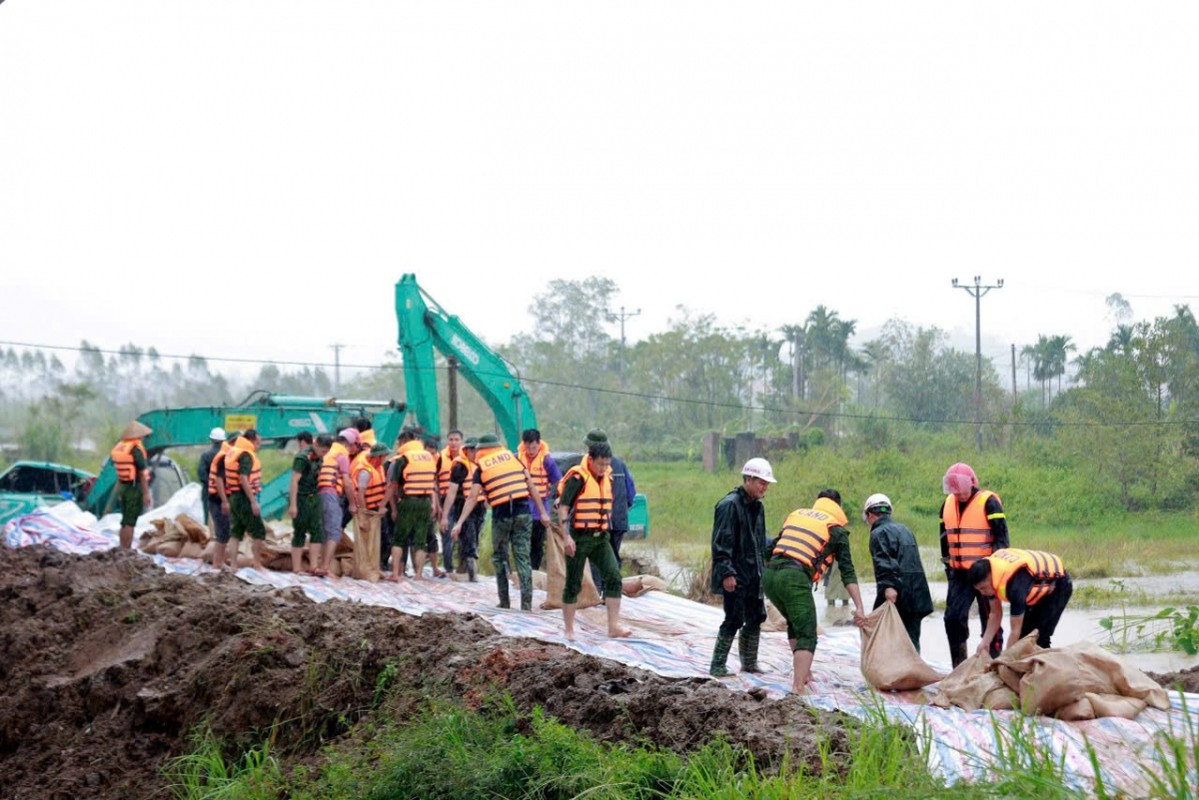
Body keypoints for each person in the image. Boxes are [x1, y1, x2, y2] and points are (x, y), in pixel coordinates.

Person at [763, 490, 867, 694]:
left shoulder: (797, 516)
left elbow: (769, 550)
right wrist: (860, 607)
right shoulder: (835, 530)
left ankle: (805, 672)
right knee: (808, 633)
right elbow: (847, 571)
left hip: (769, 577)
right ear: (838, 507)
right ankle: (798, 686)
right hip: (793, 578)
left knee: (795, 623)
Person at [452, 432, 550, 610]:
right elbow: (532, 487)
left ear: (481, 450)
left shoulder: (482, 467)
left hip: (502, 515)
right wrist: (543, 513)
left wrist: (459, 523)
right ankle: (526, 604)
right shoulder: (514, 460)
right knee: (523, 557)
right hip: (523, 513)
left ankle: (504, 601)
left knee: (500, 558)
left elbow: (472, 497)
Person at [708, 457, 775, 677]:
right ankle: (717, 665)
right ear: (748, 479)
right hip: (735, 573)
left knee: (756, 616)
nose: (764, 487)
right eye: (760, 482)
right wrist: (727, 572)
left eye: (766, 484)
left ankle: (749, 662)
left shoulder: (758, 507)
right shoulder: (729, 505)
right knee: (734, 618)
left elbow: (758, 540)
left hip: (753, 572)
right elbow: (721, 544)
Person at [557, 440, 630, 639]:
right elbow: (563, 508)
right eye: (600, 464)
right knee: (573, 583)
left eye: (606, 464)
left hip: (601, 538)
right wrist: (567, 538)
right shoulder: (577, 478)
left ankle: (613, 626)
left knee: (614, 576)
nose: (603, 468)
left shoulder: (607, 477)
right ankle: (569, 629)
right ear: (590, 460)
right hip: (579, 538)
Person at [940, 462, 1010, 666]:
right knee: (952, 618)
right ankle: (959, 666)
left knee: (991, 620)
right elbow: (945, 540)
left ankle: (992, 664)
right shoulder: (947, 505)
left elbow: (1002, 539)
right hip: (960, 573)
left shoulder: (989, 502)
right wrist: (949, 568)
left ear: (972, 483)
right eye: (955, 491)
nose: (960, 494)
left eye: (963, 490)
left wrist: (995, 571)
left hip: (986, 572)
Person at [863, 493, 934, 652]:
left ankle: (895, 673)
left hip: (897, 594)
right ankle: (914, 672)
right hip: (916, 595)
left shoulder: (878, 533)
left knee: (886, 639)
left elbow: (883, 562)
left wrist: (888, 587)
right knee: (912, 640)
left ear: (870, 514)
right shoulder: (905, 529)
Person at [970, 548, 1073, 653]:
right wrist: (985, 642)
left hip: (1058, 586)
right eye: (979, 590)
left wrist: (1005, 659)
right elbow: (995, 614)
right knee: (1024, 640)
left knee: (1039, 637)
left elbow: (1015, 631)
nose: (982, 593)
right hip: (1031, 588)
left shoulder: (1015, 588)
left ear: (991, 576)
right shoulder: (992, 579)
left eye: (983, 588)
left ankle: (1045, 665)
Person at [385, 428, 440, 581]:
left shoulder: (402, 459)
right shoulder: (429, 457)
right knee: (420, 540)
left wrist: (386, 506)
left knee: (399, 539)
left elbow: (392, 485)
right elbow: (433, 483)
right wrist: (434, 504)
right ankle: (418, 575)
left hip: (408, 502)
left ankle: (396, 573)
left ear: (404, 443)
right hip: (426, 502)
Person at [584, 429, 635, 589]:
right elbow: (631, 493)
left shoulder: (591, 466)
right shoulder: (621, 465)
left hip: (600, 521)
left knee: (597, 559)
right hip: (619, 521)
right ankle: (611, 593)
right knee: (613, 558)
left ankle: (598, 594)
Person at [316, 428, 360, 576]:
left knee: (322, 531)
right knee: (334, 532)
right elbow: (347, 483)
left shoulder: (327, 452)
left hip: (318, 494)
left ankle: (318, 564)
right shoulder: (342, 456)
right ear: (350, 444)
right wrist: (353, 503)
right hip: (331, 494)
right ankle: (325, 567)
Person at [518, 428, 562, 571]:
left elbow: (559, 481)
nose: (531, 451)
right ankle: (524, 570)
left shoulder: (546, 460)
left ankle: (534, 570)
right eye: (528, 447)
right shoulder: (517, 458)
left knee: (537, 543)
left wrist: (559, 497)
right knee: (522, 541)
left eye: (534, 447)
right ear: (524, 445)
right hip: (522, 507)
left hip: (540, 509)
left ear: (539, 444)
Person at [440, 436, 482, 581]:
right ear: (466, 450)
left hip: (479, 507)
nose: (475, 453)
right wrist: (445, 516)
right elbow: (451, 493)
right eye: (472, 450)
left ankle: (463, 569)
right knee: (467, 537)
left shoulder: (481, 465)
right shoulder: (460, 466)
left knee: (475, 538)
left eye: (477, 450)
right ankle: (470, 574)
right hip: (462, 505)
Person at [225, 428, 267, 570]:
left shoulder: (234, 451)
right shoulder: (246, 455)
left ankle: (233, 565)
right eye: (258, 443)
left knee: (236, 531)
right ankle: (256, 563)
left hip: (233, 495)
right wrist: (253, 501)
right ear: (252, 440)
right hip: (243, 497)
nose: (258, 446)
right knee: (259, 531)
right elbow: (243, 478)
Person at [288, 432, 328, 574]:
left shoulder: (319, 458)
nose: (324, 454)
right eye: (323, 450)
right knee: (300, 531)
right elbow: (294, 481)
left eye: (326, 452)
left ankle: (313, 566)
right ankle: (297, 568)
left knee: (317, 531)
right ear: (316, 445)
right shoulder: (302, 458)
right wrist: (293, 504)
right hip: (301, 498)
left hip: (313, 497)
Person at [111, 420, 153, 549]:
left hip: (124, 487)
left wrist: (117, 493)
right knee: (130, 522)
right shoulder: (136, 450)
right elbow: (141, 473)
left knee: (124, 521)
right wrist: (146, 493)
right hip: (134, 488)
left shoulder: (121, 447)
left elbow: (119, 475)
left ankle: (122, 548)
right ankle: (126, 550)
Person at [208, 431, 239, 570]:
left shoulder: (228, 456)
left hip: (221, 498)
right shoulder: (223, 457)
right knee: (222, 532)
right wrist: (225, 501)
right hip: (217, 500)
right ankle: (216, 564)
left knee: (225, 531)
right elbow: (219, 480)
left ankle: (220, 562)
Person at [436, 429, 465, 573]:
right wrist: (436, 503)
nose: (453, 443)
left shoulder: (467, 457)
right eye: (451, 440)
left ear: (462, 442)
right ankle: (448, 567)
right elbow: (433, 479)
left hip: (463, 500)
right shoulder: (440, 457)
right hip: (444, 499)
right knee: (446, 534)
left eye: (456, 440)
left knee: (464, 534)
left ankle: (463, 567)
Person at [196, 427, 226, 523]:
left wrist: (211, 483)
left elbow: (201, 473)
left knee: (209, 517)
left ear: (211, 440)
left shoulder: (206, 455)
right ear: (223, 441)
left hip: (208, 491)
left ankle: (211, 534)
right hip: (226, 491)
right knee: (225, 517)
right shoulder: (228, 454)